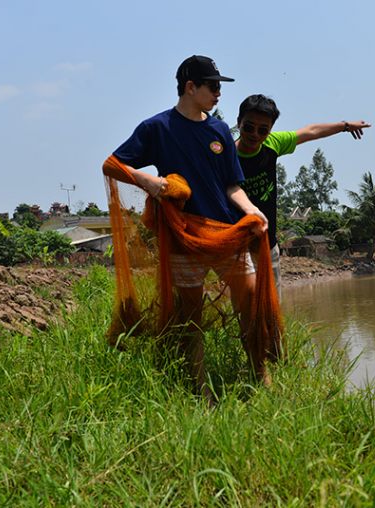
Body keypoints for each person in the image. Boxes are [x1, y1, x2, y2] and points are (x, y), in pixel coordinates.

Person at [107, 56, 270, 396]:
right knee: (190, 315)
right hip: (183, 237)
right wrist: (148, 182)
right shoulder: (157, 128)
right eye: (213, 86)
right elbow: (113, 164)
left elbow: (231, 185)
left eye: (219, 86)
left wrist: (252, 210)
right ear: (190, 87)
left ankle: (259, 374)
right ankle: (199, 387)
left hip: (225, 232)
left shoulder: (220, 130)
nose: (218, 93)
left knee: (252, 299)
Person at [235, 94, 371, 292]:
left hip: (268, 245)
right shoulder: (226, 154)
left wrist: (345, 126)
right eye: (249, 127)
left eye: (263, 130)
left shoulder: (272, 144)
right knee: (245, 304)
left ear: (270, 130)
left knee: (272, 309)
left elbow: (311, 131)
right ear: (239, 123)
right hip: (238, 247)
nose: (255, 134)